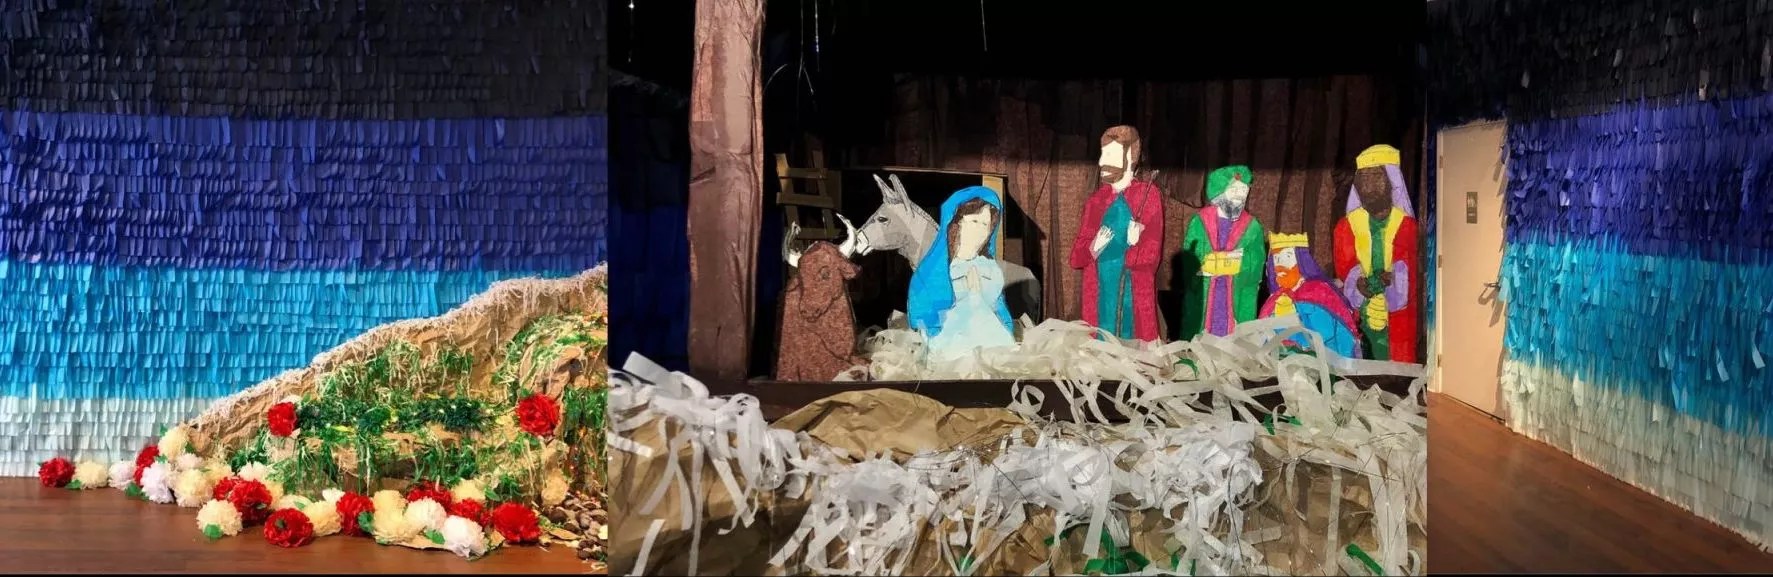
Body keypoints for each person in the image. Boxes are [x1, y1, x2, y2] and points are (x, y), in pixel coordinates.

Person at [1070, 125, 1164, 342]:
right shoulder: (1096, 201)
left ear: (1130, 157)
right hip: (1101, 296)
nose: (1101, 162)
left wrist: (1135, 242)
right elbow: (1076, 258)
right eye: (1102, 154)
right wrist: (1094, 246)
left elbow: (1152, 256)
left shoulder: (1147, 196)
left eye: (1110, 155)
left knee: (1130, 343)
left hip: (1132, 294)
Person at [1332, 144, 1421, 363]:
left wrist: (1394, 280)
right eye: (1363, 178)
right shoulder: (1346, 226)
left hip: (1396, 319)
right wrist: (1357, 282)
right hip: (1360, 315)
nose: (1368, 185)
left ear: (1391, 181)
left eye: (1375, 176)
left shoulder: (1408, 226)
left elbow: (1410, 270)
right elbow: (1344, 265)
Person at [908, 187, 1016, 361]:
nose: (980, 230)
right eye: (974, 221)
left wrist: (1006, 331)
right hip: (947, 350)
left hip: (991, 347)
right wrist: (972, 300)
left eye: (985, 225)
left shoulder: (989, 268)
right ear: (956, 223)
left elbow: (999, 308)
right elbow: (924, 320)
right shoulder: (931, 273)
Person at [1180, 165, 1266, 339]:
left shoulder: (1252, 227)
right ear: (1219, 193)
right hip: (1206, 292)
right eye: (1234, 190)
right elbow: (1188, 256)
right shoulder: (1199, 222)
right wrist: (1201, 267)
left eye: (1244, 190)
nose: (1239, 196)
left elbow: (1257, 263)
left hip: (1235, 294)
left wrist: (1238, 263)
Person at [1260, 233, 1362, 359]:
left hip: (1321, 360)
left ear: (1301, 261)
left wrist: (1292, 337)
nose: (1280, 265)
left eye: (1288, 257)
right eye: (1277, 259)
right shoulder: (1274, 298)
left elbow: (1324, 333)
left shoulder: (1319, 291)